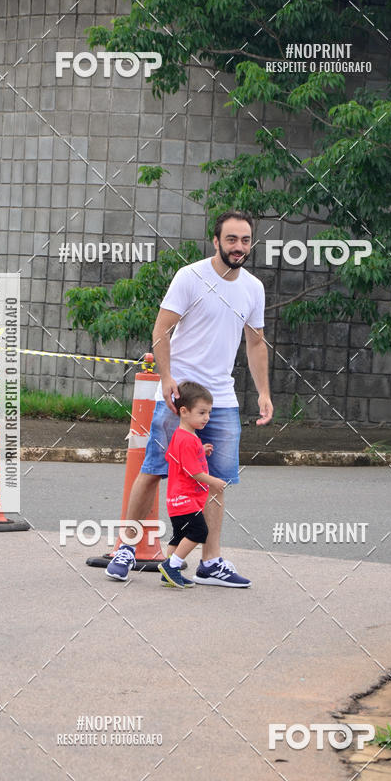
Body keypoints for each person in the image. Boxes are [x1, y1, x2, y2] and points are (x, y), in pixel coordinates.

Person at [105, 208, 273, 586]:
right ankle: (126, 548)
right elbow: (162, 329)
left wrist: (263, 392)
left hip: (222, 400)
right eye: (231, 239)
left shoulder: (253, 288)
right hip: (180, 395)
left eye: (245, 240)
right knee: (153, 471)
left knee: (217, 480)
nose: (238, 246)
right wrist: (166, 378)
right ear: (216, 241)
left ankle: (210, 562)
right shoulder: (191, 277)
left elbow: (256, 342)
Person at [158, 381, 226, 589]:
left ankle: (169, 572)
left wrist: (200, 450)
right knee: (199, 533)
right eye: (202, 412)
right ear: (184, 411)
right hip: (186, 500)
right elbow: (192, 471)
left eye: (209, 412)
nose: (207, 417)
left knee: (179, 535)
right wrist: (213, 481)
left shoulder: (184, 436)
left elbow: (175, 459)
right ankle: (172, 566)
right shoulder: (187, 439)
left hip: (176, 500)